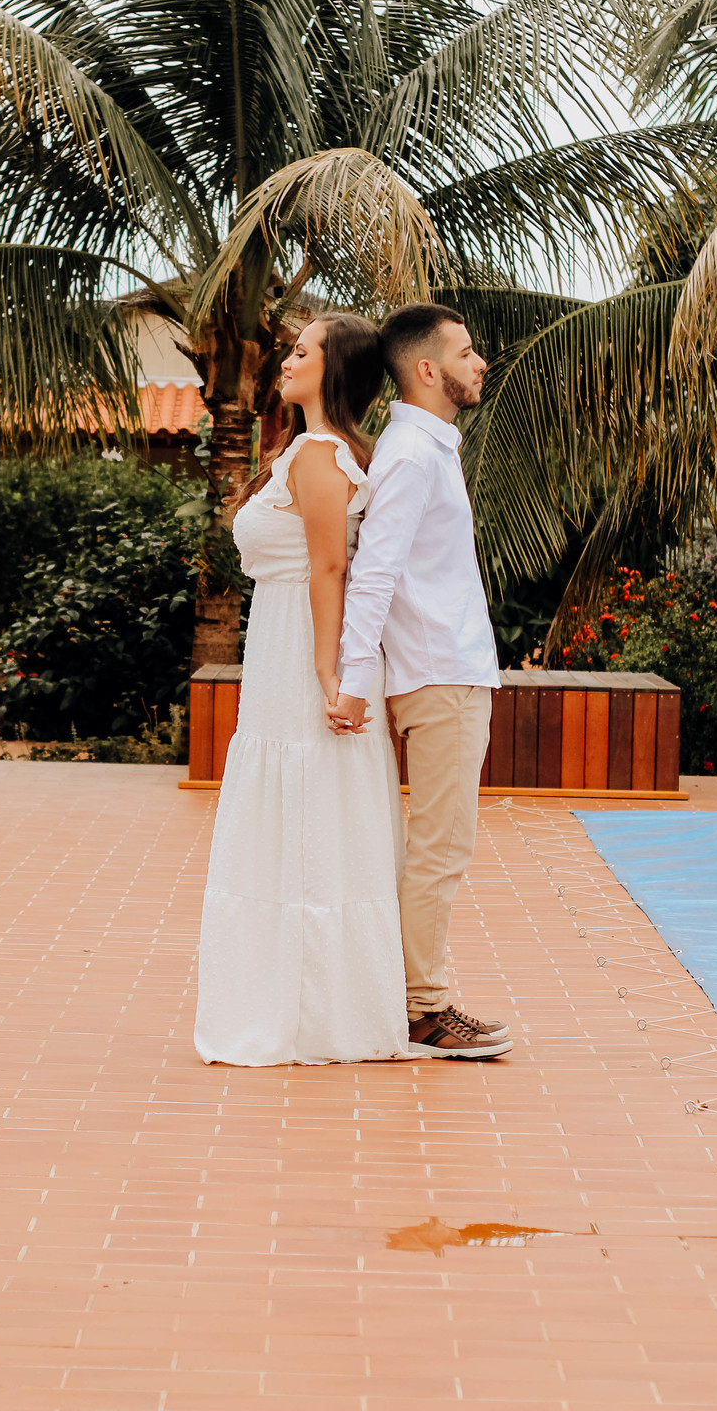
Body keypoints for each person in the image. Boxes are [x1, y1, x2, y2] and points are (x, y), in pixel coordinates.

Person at [194, 314, 410, 1066]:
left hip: (302, 647)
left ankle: (312, 1010)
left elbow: (330, 568)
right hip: (283, 644)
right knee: (307, 810)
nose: (286, 361)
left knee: (313, 807)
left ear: (334, 368)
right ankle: (298, 1000)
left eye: (301, 351)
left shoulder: (320, 454)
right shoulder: (306, 450)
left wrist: (329, 673)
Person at [328, 302, 513, 1061]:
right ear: (428, 369)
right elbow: (373, 573)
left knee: (437, 845)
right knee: (441, 847)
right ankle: (422, 1009)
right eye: (466, 353)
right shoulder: (411, 454)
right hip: (440, 675)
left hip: (444, 670)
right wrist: (353, 678)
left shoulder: (424, 448)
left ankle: (416, 999)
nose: (480, 363)